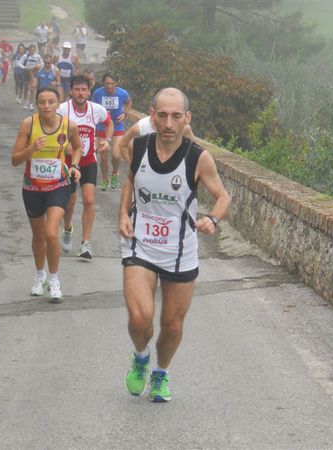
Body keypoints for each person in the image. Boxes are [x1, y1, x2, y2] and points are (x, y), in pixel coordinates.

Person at [119, 88, 231, 402]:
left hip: (181, 251)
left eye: (176, 116)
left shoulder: (198, 157)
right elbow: (130, 181)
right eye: (163, 115)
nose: (169, 123)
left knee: (172, 325)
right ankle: (140, 357)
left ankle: (161, 373)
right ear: (152, 115)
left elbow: (222, 197)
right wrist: (123, 215)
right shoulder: (139, 147)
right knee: (140, 318)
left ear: (187, 119)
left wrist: (213, 218)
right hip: (139, 244)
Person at [11, 87, 82, 301]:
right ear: (36, 104)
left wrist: (75, 165)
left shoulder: (69, 125)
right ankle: (40, 275)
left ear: (58, 103)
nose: (46, 106)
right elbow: (14, 159)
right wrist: (30, 149)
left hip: (58, 185)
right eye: (42, 102)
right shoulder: (28, 124)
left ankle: (54, 279)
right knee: (38, 235)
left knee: (51, 233)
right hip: (32, 187)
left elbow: (77, 148)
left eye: (51, 102)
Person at [58, 75, 113, 259]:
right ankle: (67, 229)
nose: (80, 93)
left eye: (84, 90)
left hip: (88, 161)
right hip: (68, 163)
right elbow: (55, 131)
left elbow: (109, 123)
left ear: (89, 92)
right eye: (77, 89)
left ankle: (86, 244)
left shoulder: (96, 110)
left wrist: (107, 139)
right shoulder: (62, 110)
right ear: (71, 91)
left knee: (89, 200)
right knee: (69, 204)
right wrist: (62, 146)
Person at [92, 72, 132, 190]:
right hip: (102, 127)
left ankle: (115, 173)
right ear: (103, 83)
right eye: (107, 83)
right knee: (104, 155)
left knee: (115, 155)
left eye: (112, 83)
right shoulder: (98, 93)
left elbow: (129, 103)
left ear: (116, 83)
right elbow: (93, 107)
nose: (109, 86)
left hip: (117, 126)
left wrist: (125, 113)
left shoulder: (122, 93)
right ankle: (105, 179)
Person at [119, 112, 196, 163]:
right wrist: (133, 167)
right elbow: (123, 144)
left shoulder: (183, 128)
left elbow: (196, 151)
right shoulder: (140, 127)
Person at [23, 44, 42, 110]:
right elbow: (20, 63)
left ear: (35, 50)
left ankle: (30, 104)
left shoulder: (38, 56)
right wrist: (24, 68)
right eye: (31, 49)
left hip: (34, 73)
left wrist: (37, 69)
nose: (32, 51)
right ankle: (26, 103)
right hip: (27, 73)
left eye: (33, 50)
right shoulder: (26, 55)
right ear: (29, 50)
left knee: (32, 89)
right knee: (27, 89)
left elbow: (41, 64)